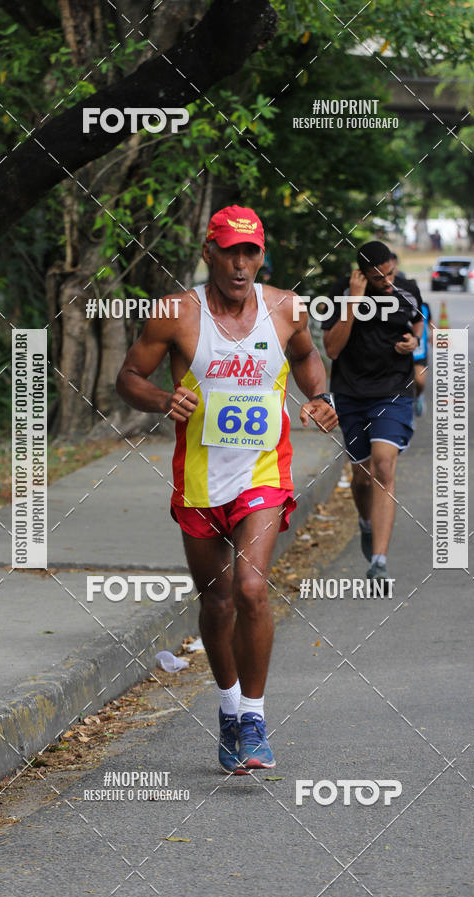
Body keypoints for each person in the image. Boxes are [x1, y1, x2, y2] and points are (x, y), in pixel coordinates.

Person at [116, 205, 337, 775]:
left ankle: (256, 719)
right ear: (209, 252)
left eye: (252, 252)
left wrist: (320, 397)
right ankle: (229, 708)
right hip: (199, 480)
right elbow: (128, 378)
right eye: (230, 251)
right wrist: (165, 400)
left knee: (251, 588)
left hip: (264, 472)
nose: (241, 264)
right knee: (216, 602)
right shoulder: (175, 314)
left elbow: (308, 356)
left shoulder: (286, 308)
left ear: (262, 256)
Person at [321, 240, 423, 588]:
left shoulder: (406, 289)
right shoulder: (340, 293)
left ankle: (379, 562)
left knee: (383, 465)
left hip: (394, 390)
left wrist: (414, 343)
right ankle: (365, 523)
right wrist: (353, 300)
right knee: (361, 477)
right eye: (379, 278)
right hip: (350, 394)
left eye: (390, 273)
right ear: (361, 276)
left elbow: (418, 322)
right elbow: (332, 348)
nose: (388, 282)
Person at [413, 299, 433, 416]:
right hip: (400, 353)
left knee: (419, 382)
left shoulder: (424, 306)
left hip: (420, 352)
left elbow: (431, 324)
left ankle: (418, 396)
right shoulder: (395, 304)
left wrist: (434, 334)